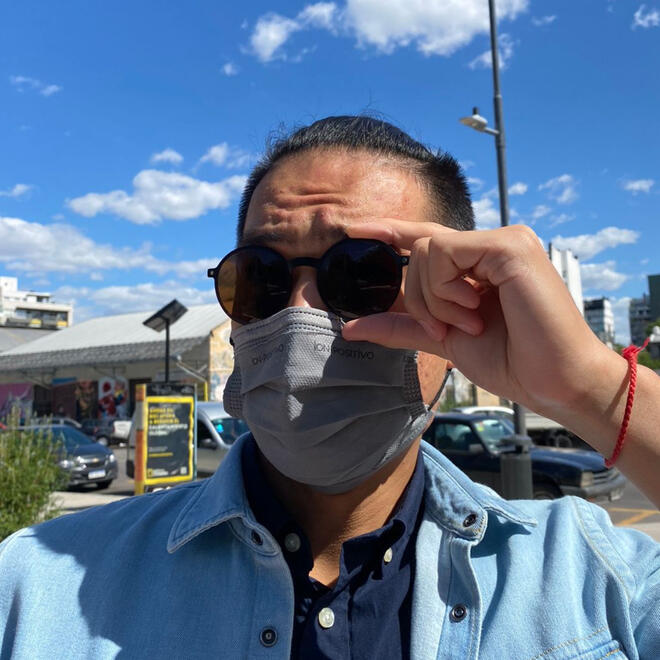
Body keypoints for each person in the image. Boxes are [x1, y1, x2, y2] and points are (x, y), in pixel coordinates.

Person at [1, 116, 658, 659]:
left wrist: (590, 390)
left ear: (465, 305)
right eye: (260, 277)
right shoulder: (36, 585)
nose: (298, 313)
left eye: (360, 274)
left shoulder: (591, 578)